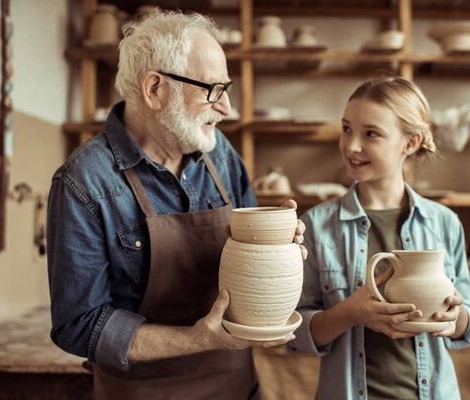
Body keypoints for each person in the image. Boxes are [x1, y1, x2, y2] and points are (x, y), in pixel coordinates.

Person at [47, 11, 305, 400]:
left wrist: (275, 245)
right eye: (214, 90)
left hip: (235, 385)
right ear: (155, 89)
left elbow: (249, 267)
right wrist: (197, 339)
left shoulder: (222, 157)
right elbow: (78, 325)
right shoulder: (84, 183)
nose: (228, 108)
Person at [288, 74, 470, 400]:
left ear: (410, 143)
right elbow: (294, 333)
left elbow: (466, 324)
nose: (351, 146)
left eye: (371, 134)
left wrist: (453, 317)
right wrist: (349, 313)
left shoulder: (445, 224)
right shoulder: (316, 226)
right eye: (346, 129)